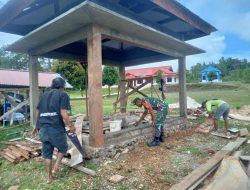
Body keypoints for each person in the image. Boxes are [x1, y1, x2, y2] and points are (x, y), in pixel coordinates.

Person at [32, 77, 76, 184]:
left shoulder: (44, 95)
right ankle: (56, 167)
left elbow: (38, 111)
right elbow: (63, 113)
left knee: (47, 154)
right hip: (55, 128)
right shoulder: (63, 95)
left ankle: (49, 177)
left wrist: (36, 126)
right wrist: (71, 126)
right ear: (62, 87)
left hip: (43, 129)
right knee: (63, 147)